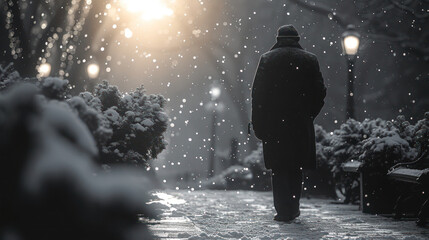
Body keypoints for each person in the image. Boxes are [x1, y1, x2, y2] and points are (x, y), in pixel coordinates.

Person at [251, 25, 326, 222]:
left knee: (279, 168)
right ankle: (293, 207)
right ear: (298, 39)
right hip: (300, 123)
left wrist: (259, 123)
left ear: (278, 38)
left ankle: (283, 210)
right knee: (295, 167)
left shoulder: (267, 59)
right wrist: (309, 113)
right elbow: (320, 92)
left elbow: (258, 95)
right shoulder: (310, 59)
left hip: (275, 124)